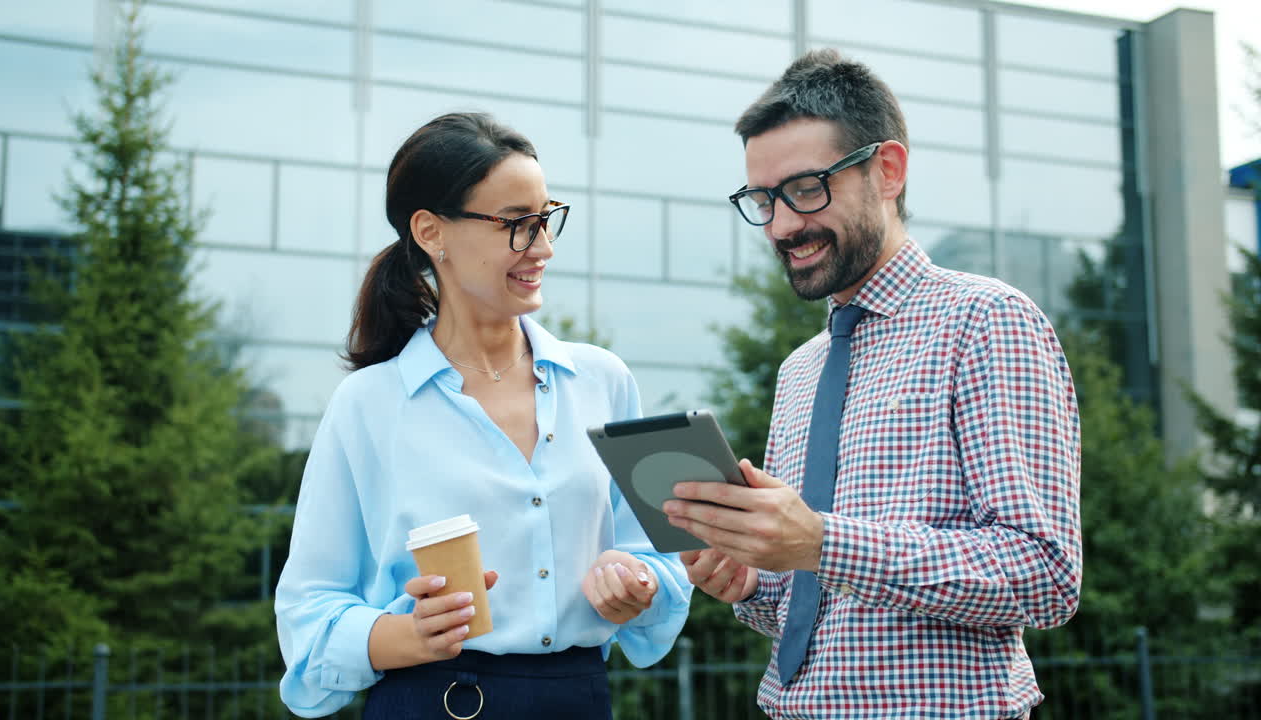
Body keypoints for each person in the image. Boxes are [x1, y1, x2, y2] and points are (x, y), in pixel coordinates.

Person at [662, 50, 1081, 720]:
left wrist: (824, 542)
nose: (781, 226)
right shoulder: (800, 369)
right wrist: (751, 581)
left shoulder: (987, 322)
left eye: (805, 189)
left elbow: (1043, 574)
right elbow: (816, 607)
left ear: (887, 171)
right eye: (762, 199)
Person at [275, 112, 691, 719]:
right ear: (430, 232)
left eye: (546, 219)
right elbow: (309, 614)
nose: (543, 247)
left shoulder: (606, 380)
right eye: (517, 225)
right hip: (429, 700)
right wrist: (405, 635)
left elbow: (667, 562)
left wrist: (638, 584)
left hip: (580, 700)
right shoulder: (367, 405)